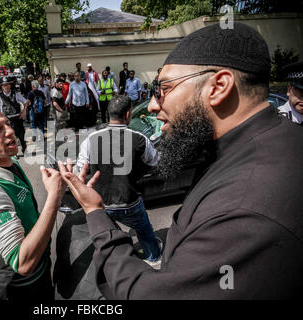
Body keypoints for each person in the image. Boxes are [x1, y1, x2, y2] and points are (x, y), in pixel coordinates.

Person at [58, 22, 303, 299]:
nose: (152, 105)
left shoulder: (244, 208)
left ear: (218, 86)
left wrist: (95, 213)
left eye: (163, 88)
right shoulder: (262, 143)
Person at [0, 103, 66, 300]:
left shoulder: (10, 161)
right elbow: (22, 263)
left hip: (43, 265)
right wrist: (54, 196)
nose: (10, 131)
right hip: (26, 285)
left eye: (7, 124)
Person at [76, 95, 162, 265]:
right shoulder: (139, 139)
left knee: (110, 235)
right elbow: (154, 161)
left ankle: (118, 263)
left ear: (108, 114)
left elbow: (80, 169)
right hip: (129, 201)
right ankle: (153, 257)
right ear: (128, 113)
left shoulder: (91, 139)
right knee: (144, 231)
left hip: (101, 202)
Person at [0, 78, 27, 156]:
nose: (6, 87)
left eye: (7, 85)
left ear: (10, 85)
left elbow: (25, 102)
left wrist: (24, 111)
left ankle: (24, 149)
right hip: (7, 119)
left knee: (21, 135)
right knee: (11, 137)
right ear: (2, 87)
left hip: (18, 118)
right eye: (4, 85)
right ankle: (15, 153)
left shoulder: (16, 94)